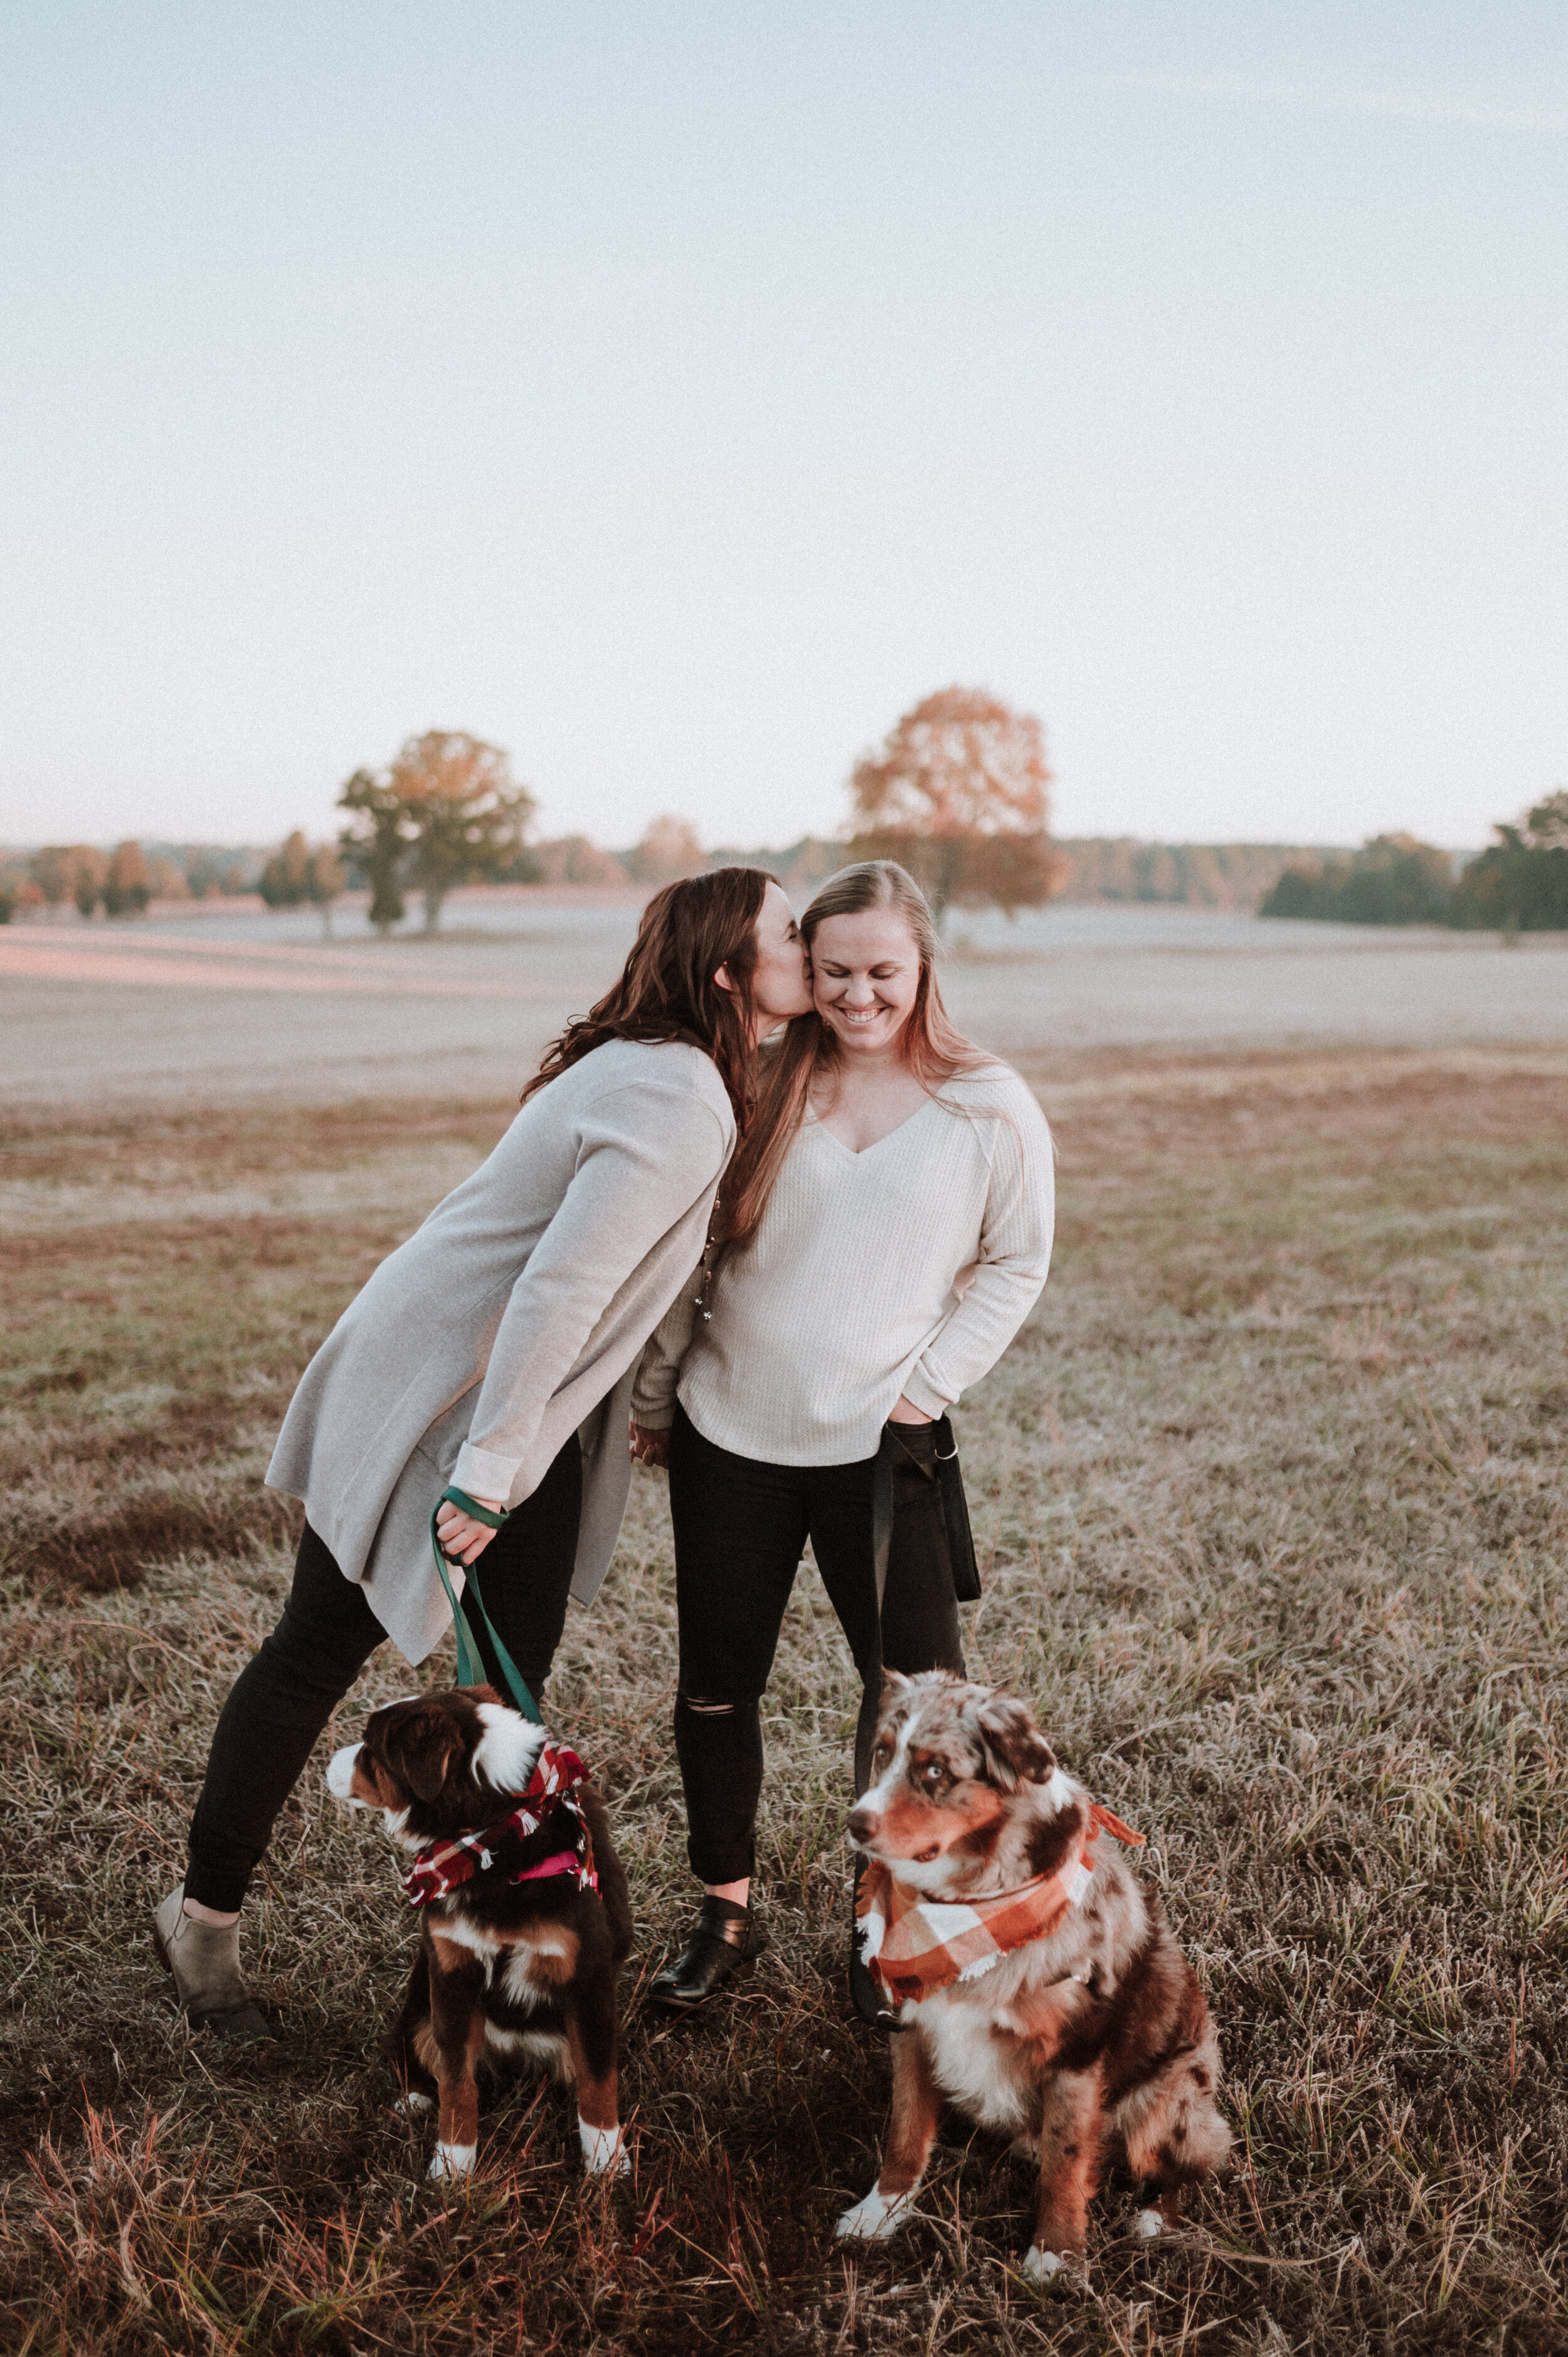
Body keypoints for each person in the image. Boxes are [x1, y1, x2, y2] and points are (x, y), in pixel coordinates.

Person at [154, 868, 812, 2038]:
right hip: (442, 1401)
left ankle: (490, 1973)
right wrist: (490, 1470)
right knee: (318, 1650)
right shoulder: (676, 1092)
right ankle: (202, 1922)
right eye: (791, 931)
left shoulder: (676, 1068)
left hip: (514, 1409)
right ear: (730, 971)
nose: (809, 945)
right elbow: (557, 1290)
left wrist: (604, 1413)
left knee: (503, 1702)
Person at [628, 859, 1054, 2014]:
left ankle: (888, 1925)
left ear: (921, 968)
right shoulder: (760, 1084)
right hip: (735, 1437)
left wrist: (929, 1385)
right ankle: (725, 1913)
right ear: (801, 972)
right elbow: (692, 1257)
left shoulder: (987, 1103)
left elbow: (1020, 1259)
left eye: (883, 973)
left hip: (886, 1450)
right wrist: (659, 1397)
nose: (859, 996)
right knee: (718, 1685)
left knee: (912, 1701)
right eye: (833, 972)